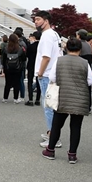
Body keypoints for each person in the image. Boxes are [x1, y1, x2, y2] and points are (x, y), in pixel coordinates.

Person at [42, 38, 92, 163]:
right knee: (76, 127)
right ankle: (72, 154)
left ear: (66, 48)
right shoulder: (84, 62)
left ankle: (50, 150)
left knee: (56, 125)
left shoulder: (59, 61)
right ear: (80, 49)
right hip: (80, 99)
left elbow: (52, 77)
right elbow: (90, 81)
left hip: (62, 97)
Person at [34, 10, 62, 148]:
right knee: (51, 105)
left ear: (46, 21)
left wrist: (40, 73)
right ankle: (53, 134)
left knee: (49, 107)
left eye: (38, 19)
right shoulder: (54, 34)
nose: (36, 22)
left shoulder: (46, 36)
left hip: (46, 75)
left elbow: (46, 57)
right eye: (35, 20)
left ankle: (53, 138)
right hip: (52, 73)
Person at [1, 34, 26, 103]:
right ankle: (15, 98)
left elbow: (3, 59)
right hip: (17, 68)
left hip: (8, 68)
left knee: (8, 83)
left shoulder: (6, 48)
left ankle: (5, 98)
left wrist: (4, 67)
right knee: (17, 83)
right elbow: (24, 58)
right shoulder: (20, 48)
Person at [25, 31, 40, 106]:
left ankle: (30, 99)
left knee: (30, 81)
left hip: (31, 64)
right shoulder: (42, 46)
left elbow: (27, 55)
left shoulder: (31, 46)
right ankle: (38, 99)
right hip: (39, 65)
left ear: (34, 37)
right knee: (38, 82)